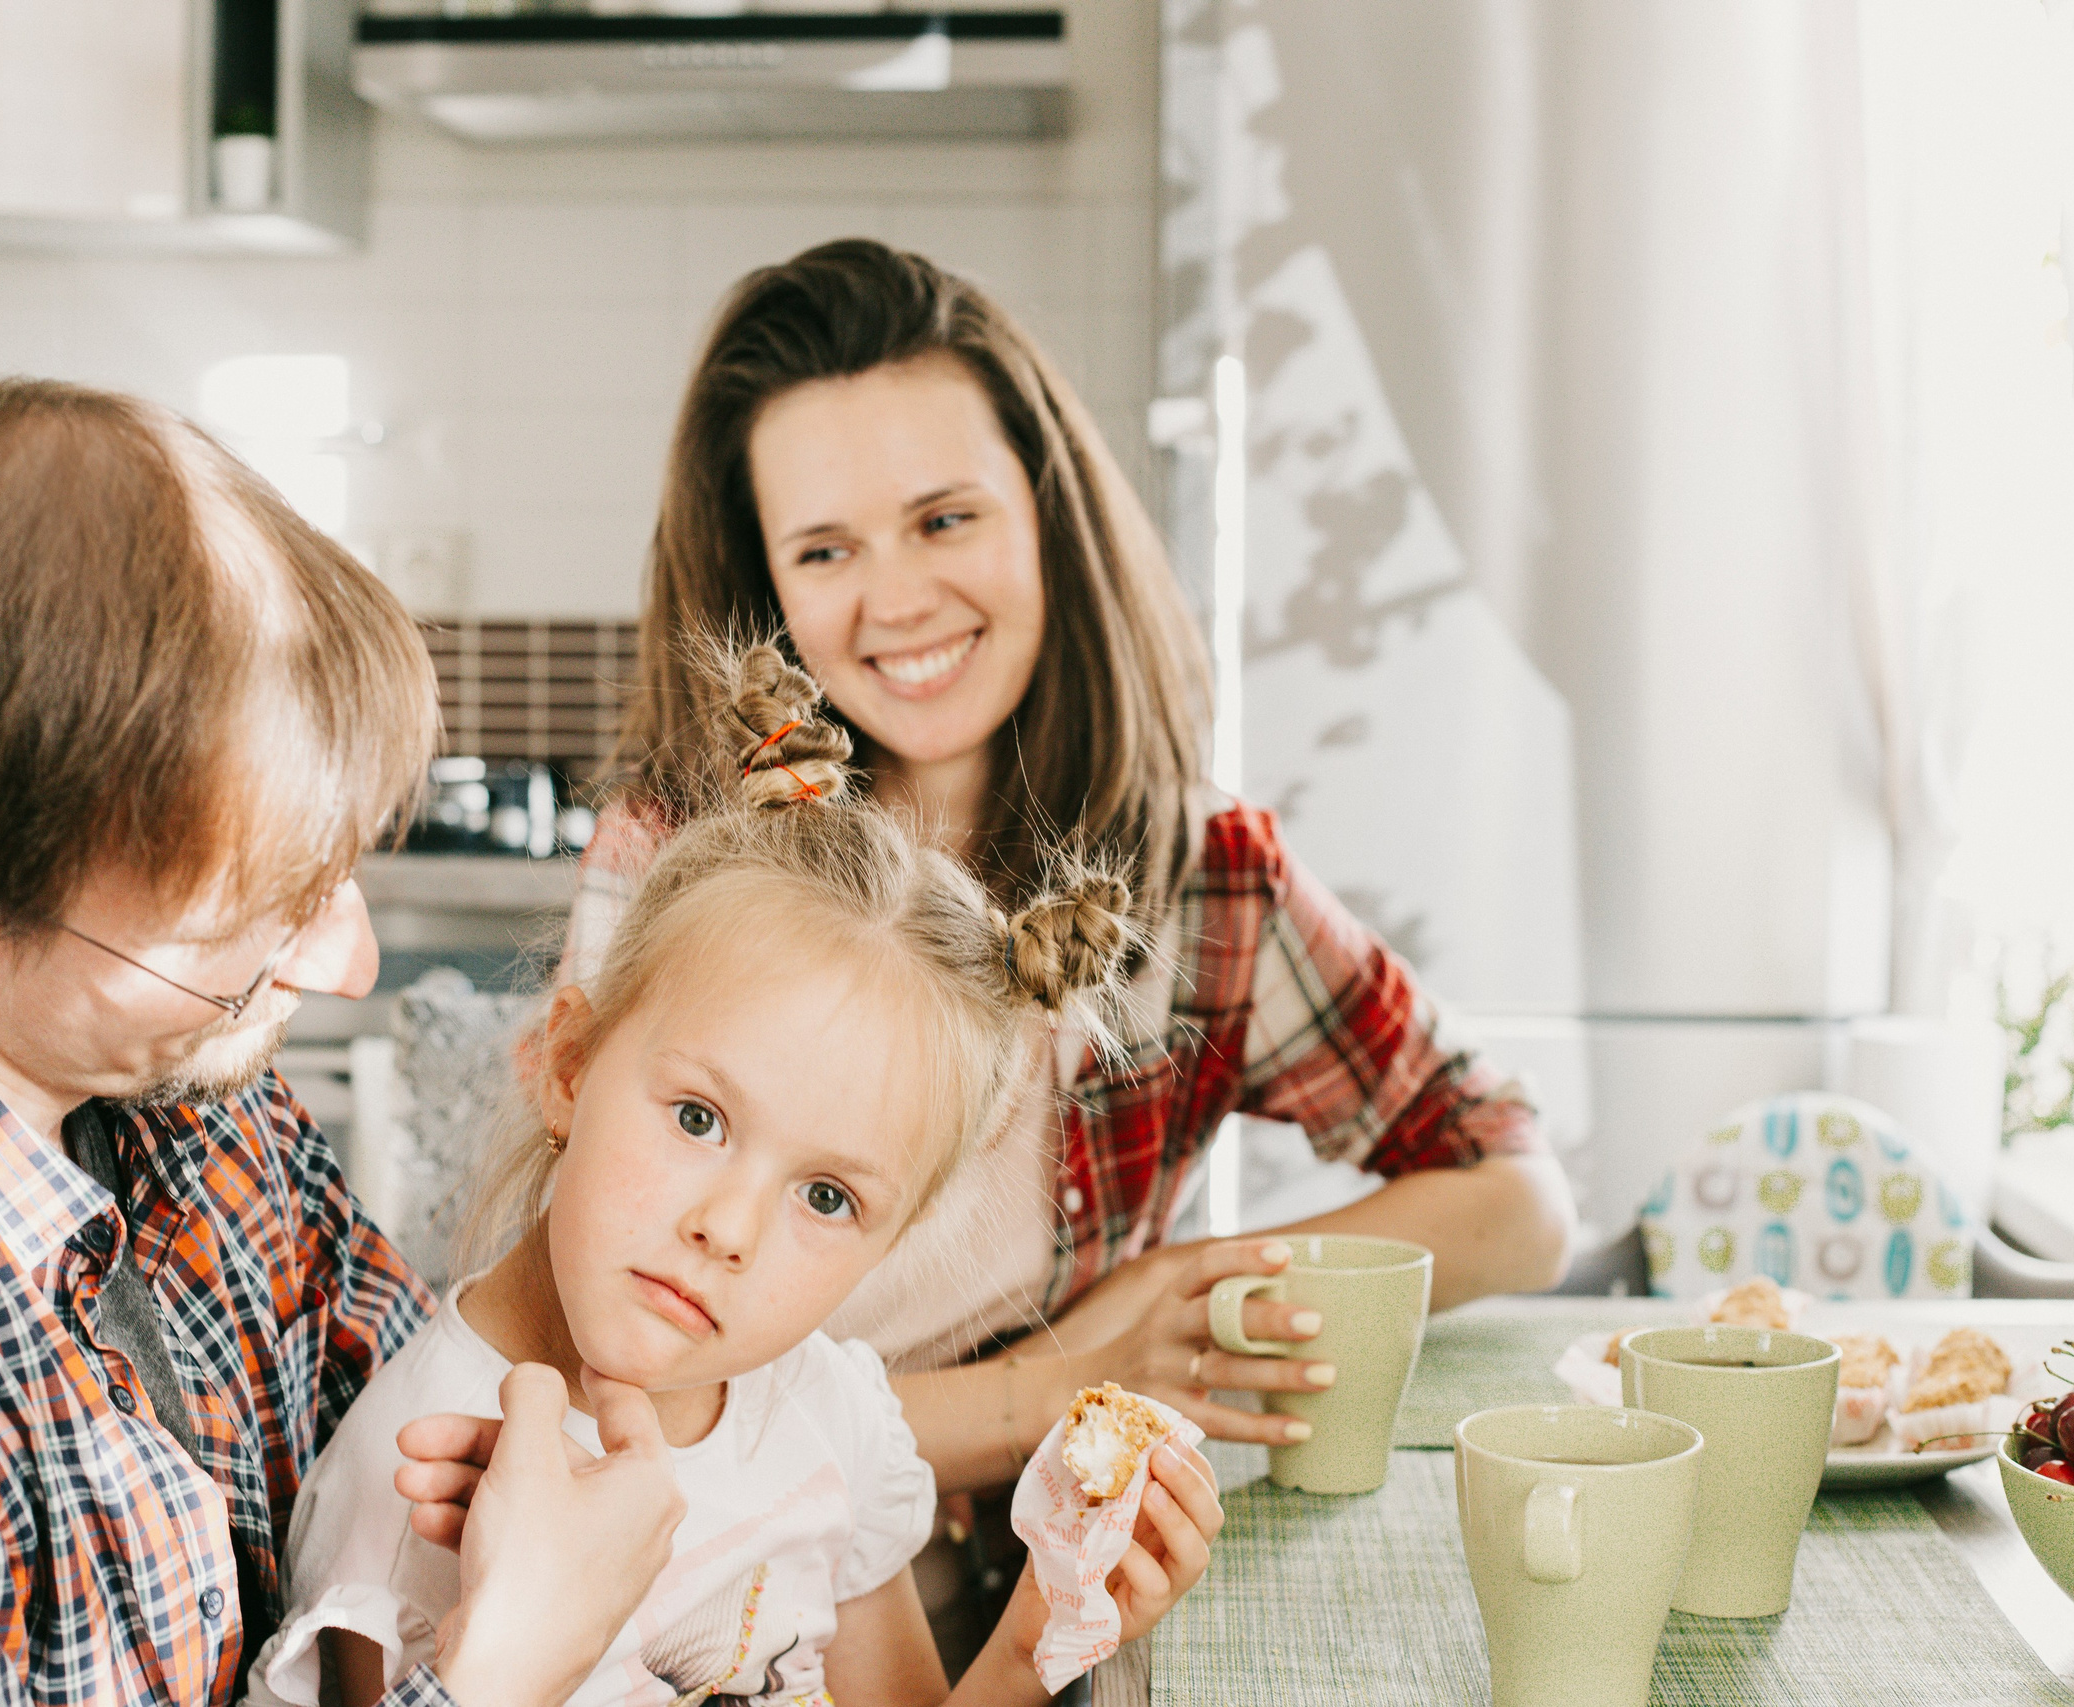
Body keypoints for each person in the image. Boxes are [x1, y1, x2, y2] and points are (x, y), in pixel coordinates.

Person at [0, 380, 681, 1707]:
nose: (342, 964)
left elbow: (425, 1408)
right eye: (249, 917)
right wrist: (511, 1661)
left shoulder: (167, 1080)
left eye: (328, 872)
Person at [572, 239, 1578, 1497]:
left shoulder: (1198, 875)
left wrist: (1175, 1286)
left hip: (1031, 1590)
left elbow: (1518, 1195)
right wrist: (1054, 1385)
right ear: (764, 581)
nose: (896, 600)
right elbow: (618, 1384)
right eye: (826, 551)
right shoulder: (679, 857)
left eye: (944, 519)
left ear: (1048, 515)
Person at [252, 646, 1222, 1707]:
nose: (730, 1230)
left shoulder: (822, 1411)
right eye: (700, 1119)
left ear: (889, 1245)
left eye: (827, 1197)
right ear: (570, 1067)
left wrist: (1047, 1631)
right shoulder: (417, 1486)